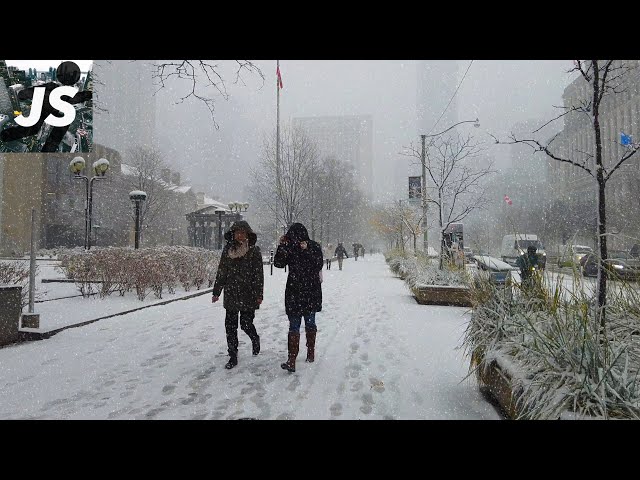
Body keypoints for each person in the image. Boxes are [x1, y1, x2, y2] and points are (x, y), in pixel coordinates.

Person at [211, 220, 264, 370]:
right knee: (230, 326)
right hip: (231, 293)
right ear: (233, 234)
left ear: (247, 234)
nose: (240, 235)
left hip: (249, 293)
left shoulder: (254, 251)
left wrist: (259, 294)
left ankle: (254, 338)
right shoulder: (227, 250)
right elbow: (222, 271)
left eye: (243, 233)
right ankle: (233, 355)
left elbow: (258, 275)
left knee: (246, 324)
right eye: (237, 232)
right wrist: (216, 291)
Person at [274, 223, 324, 373]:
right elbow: (278, 263)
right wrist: (282, 246)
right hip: (294, 291)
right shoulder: (289, 246)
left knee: (310, 323)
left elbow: (318, 264)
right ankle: (292, 359)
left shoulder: (313, 246)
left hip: (310, 291)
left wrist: (307, 249)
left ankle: (310, 351)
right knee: (294, 325)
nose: (295, 239)